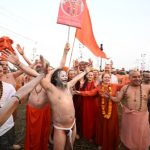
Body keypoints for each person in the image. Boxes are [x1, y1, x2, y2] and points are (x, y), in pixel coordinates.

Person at [3, 43, 71, 150]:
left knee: (42, 134)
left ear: (46, 65)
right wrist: (22, 56)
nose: (38, 64)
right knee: (31, 133)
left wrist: (65, 52)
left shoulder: (49, 76)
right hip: (31, 110)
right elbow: (26, 66)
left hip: (43, 111)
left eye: (41, 62)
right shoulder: (32, 74)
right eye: (37, 63)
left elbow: (61, 66)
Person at [41, 64, 91, 150]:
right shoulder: (51, 89)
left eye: (66, 75)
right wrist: (19, 64)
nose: (65, 77)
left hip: (72, 124)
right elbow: (37, 77)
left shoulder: (68, 86)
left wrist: (86, 71)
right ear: (56, 78)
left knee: (70, 147)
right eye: (62, 76)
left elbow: (76, 78)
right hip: (60, 128)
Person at [0, 62, 47, 150]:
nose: (3, 68)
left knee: (8, 139)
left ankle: (11, 144)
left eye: (1, 70)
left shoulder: (9, 87)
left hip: (7, 126)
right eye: (3, 65)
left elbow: (20, 101)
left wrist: (26, 87)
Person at [75, 73, 121, 150]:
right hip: (101, 111)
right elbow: (90, 93)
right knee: (102, 126)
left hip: (112, 111)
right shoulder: (99, 87)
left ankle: (111, 143)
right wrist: (79, 92)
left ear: (110, 78)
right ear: (102, 79)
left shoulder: (115, 86)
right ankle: (101, 143)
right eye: (105, 77)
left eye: (108, 77)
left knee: (111, 127)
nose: (107, 79)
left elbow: (124, 85)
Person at [114, 70, 150, 150]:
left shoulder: (147, 87)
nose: (137, 78)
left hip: (142, 116)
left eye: (139, 76)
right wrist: (109, 97)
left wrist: (147, 97)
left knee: (142, 134)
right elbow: (117, 99)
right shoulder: (125, 88)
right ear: (129, 78)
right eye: (134, 77)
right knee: (129, 133)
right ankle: (129, 146)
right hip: (129, 116)